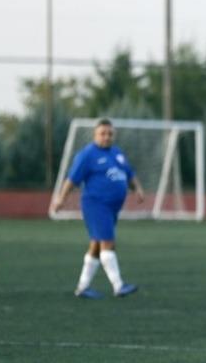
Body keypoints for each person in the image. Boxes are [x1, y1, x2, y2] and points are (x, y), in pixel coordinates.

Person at [50, 118, 144, 299]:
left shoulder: (117, 153)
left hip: (112, 208)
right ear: (95, 135)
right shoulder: (87, 155)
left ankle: (83, 287)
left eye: (110, 134)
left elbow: (129, 174)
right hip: (96, 205)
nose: (107, 137)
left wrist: (138, 189)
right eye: (103, 133)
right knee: (108, 242)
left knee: (95, 246)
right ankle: (118, 285)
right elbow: (72, 179)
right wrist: (61, 199)